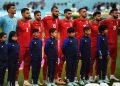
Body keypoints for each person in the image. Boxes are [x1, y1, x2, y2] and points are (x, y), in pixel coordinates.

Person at [100, 8, 120, 81]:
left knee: (114, 60)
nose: (117, 14)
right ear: (111, 13)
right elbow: (98, 25)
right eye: (115, 13)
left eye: (117, 13)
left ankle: (112, 75)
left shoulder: (118, 21)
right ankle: (103, 76)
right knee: (105, 60)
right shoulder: (106, 21)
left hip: (115, 44)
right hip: (107, 44)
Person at [42, 6, 59, 84]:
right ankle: (45, 79)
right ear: (52, 11)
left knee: (54, 63)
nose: (57, 13)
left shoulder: (58, 20)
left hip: (54, 43)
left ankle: (53, 79)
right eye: (55, 11)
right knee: (46, 63)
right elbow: (39, 23)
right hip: (47, 43)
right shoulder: (46, 19)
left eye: (58, 11)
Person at [73, 7, 90, 82]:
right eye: (83, 12)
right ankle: (75, 77)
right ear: (79, 13)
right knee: (75, 62)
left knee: (85, 62)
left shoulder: (88, 21)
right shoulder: (75, 21)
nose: (85, 13)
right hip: (77, 44)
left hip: (85, 45)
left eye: (85, 11)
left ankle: (82, 76)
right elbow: (71, 31)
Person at [16, 8, 31, 86]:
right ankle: (15, 81)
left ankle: (25, 81)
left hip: (28, 47)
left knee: (27, 64)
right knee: (17, 64)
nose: (29, 14)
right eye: (27, 13)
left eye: (29, 13)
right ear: (22, 14)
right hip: (20, 47)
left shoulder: (29, 23)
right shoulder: (18, 22)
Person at [58, 8, 73, 84]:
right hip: (62, 46)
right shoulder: (60, 22)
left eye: (70, 13)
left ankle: (67, 77)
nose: (69, 15)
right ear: (64, 14)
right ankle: (59, 77)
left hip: (70, 47)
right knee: (61, 63)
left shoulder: (72, 22)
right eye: (68, 13)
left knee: (69, 63)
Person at [89, 11, 101, 82]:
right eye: (98, 16)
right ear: (94, 17)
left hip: (100, 45)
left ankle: (97, 76)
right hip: (92, 45)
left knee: (99, 61)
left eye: (100, 16)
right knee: (91, 61)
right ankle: (90, 76)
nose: (99, 17)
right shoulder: (90, 24)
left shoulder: (101, 24)